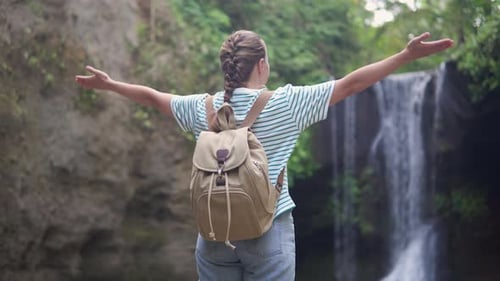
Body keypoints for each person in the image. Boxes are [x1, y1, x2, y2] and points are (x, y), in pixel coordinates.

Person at [75, 30, 453, 280]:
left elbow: (153, 97)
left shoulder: (201, 109)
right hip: (267, 232)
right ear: (261, 65)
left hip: (213, 235)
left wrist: (110, 85)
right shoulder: (286, 104)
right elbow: (353, 83)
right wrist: (405, 55)